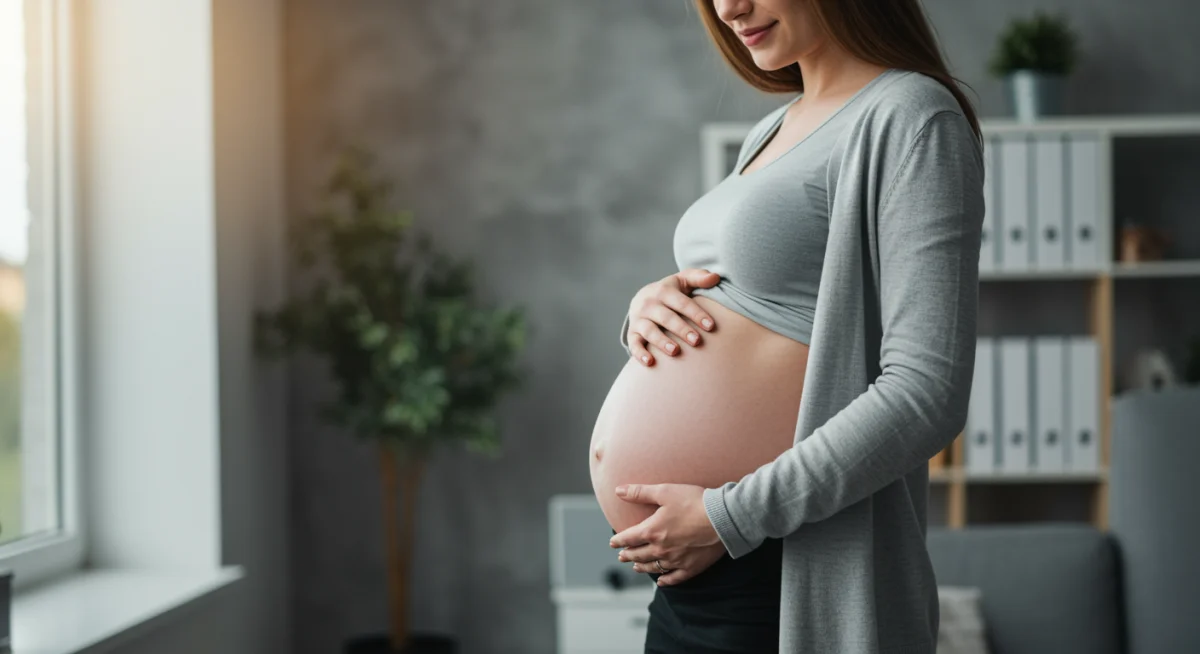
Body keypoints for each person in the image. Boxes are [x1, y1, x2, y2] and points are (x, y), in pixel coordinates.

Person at [590, 1, 985, 652]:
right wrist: (648, 307)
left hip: (779, 573)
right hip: (693, 585)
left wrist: (728, 516)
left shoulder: (911, 115)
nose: (728, 7)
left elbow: (926, 390)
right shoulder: (775, 127)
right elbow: (748, 298)